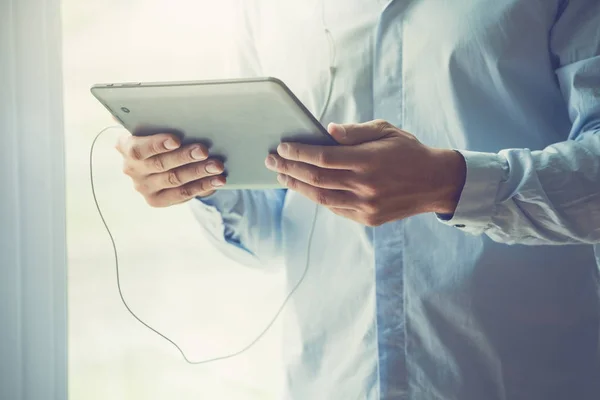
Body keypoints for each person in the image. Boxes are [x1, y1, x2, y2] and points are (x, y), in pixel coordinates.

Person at [115, 0, 600, 399]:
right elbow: (269, 235)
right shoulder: (262, 9)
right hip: (330, 379)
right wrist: (192, 176)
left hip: (522, 376)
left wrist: (451, 184)